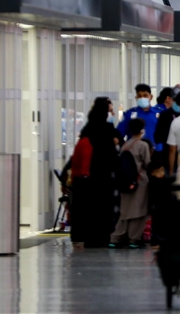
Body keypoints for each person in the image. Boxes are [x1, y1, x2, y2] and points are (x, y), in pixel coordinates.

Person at [69, 98, 122, 248]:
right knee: (103, 208)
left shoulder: (87, 129)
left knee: (85, 209)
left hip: (86, 178)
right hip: (103, 177)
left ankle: (84, 237)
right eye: (110, 111)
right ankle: (100, 237)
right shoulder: (108, 130)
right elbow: (114, 154)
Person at [110, 118, 151, 249]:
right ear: (142, 130)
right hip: (140, 182)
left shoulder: (125, 145)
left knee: (125, 211)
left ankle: (116, 237)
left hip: (125, 182)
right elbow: (148, 164)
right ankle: (134, 238)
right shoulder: (143, 145)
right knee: (139, 211)